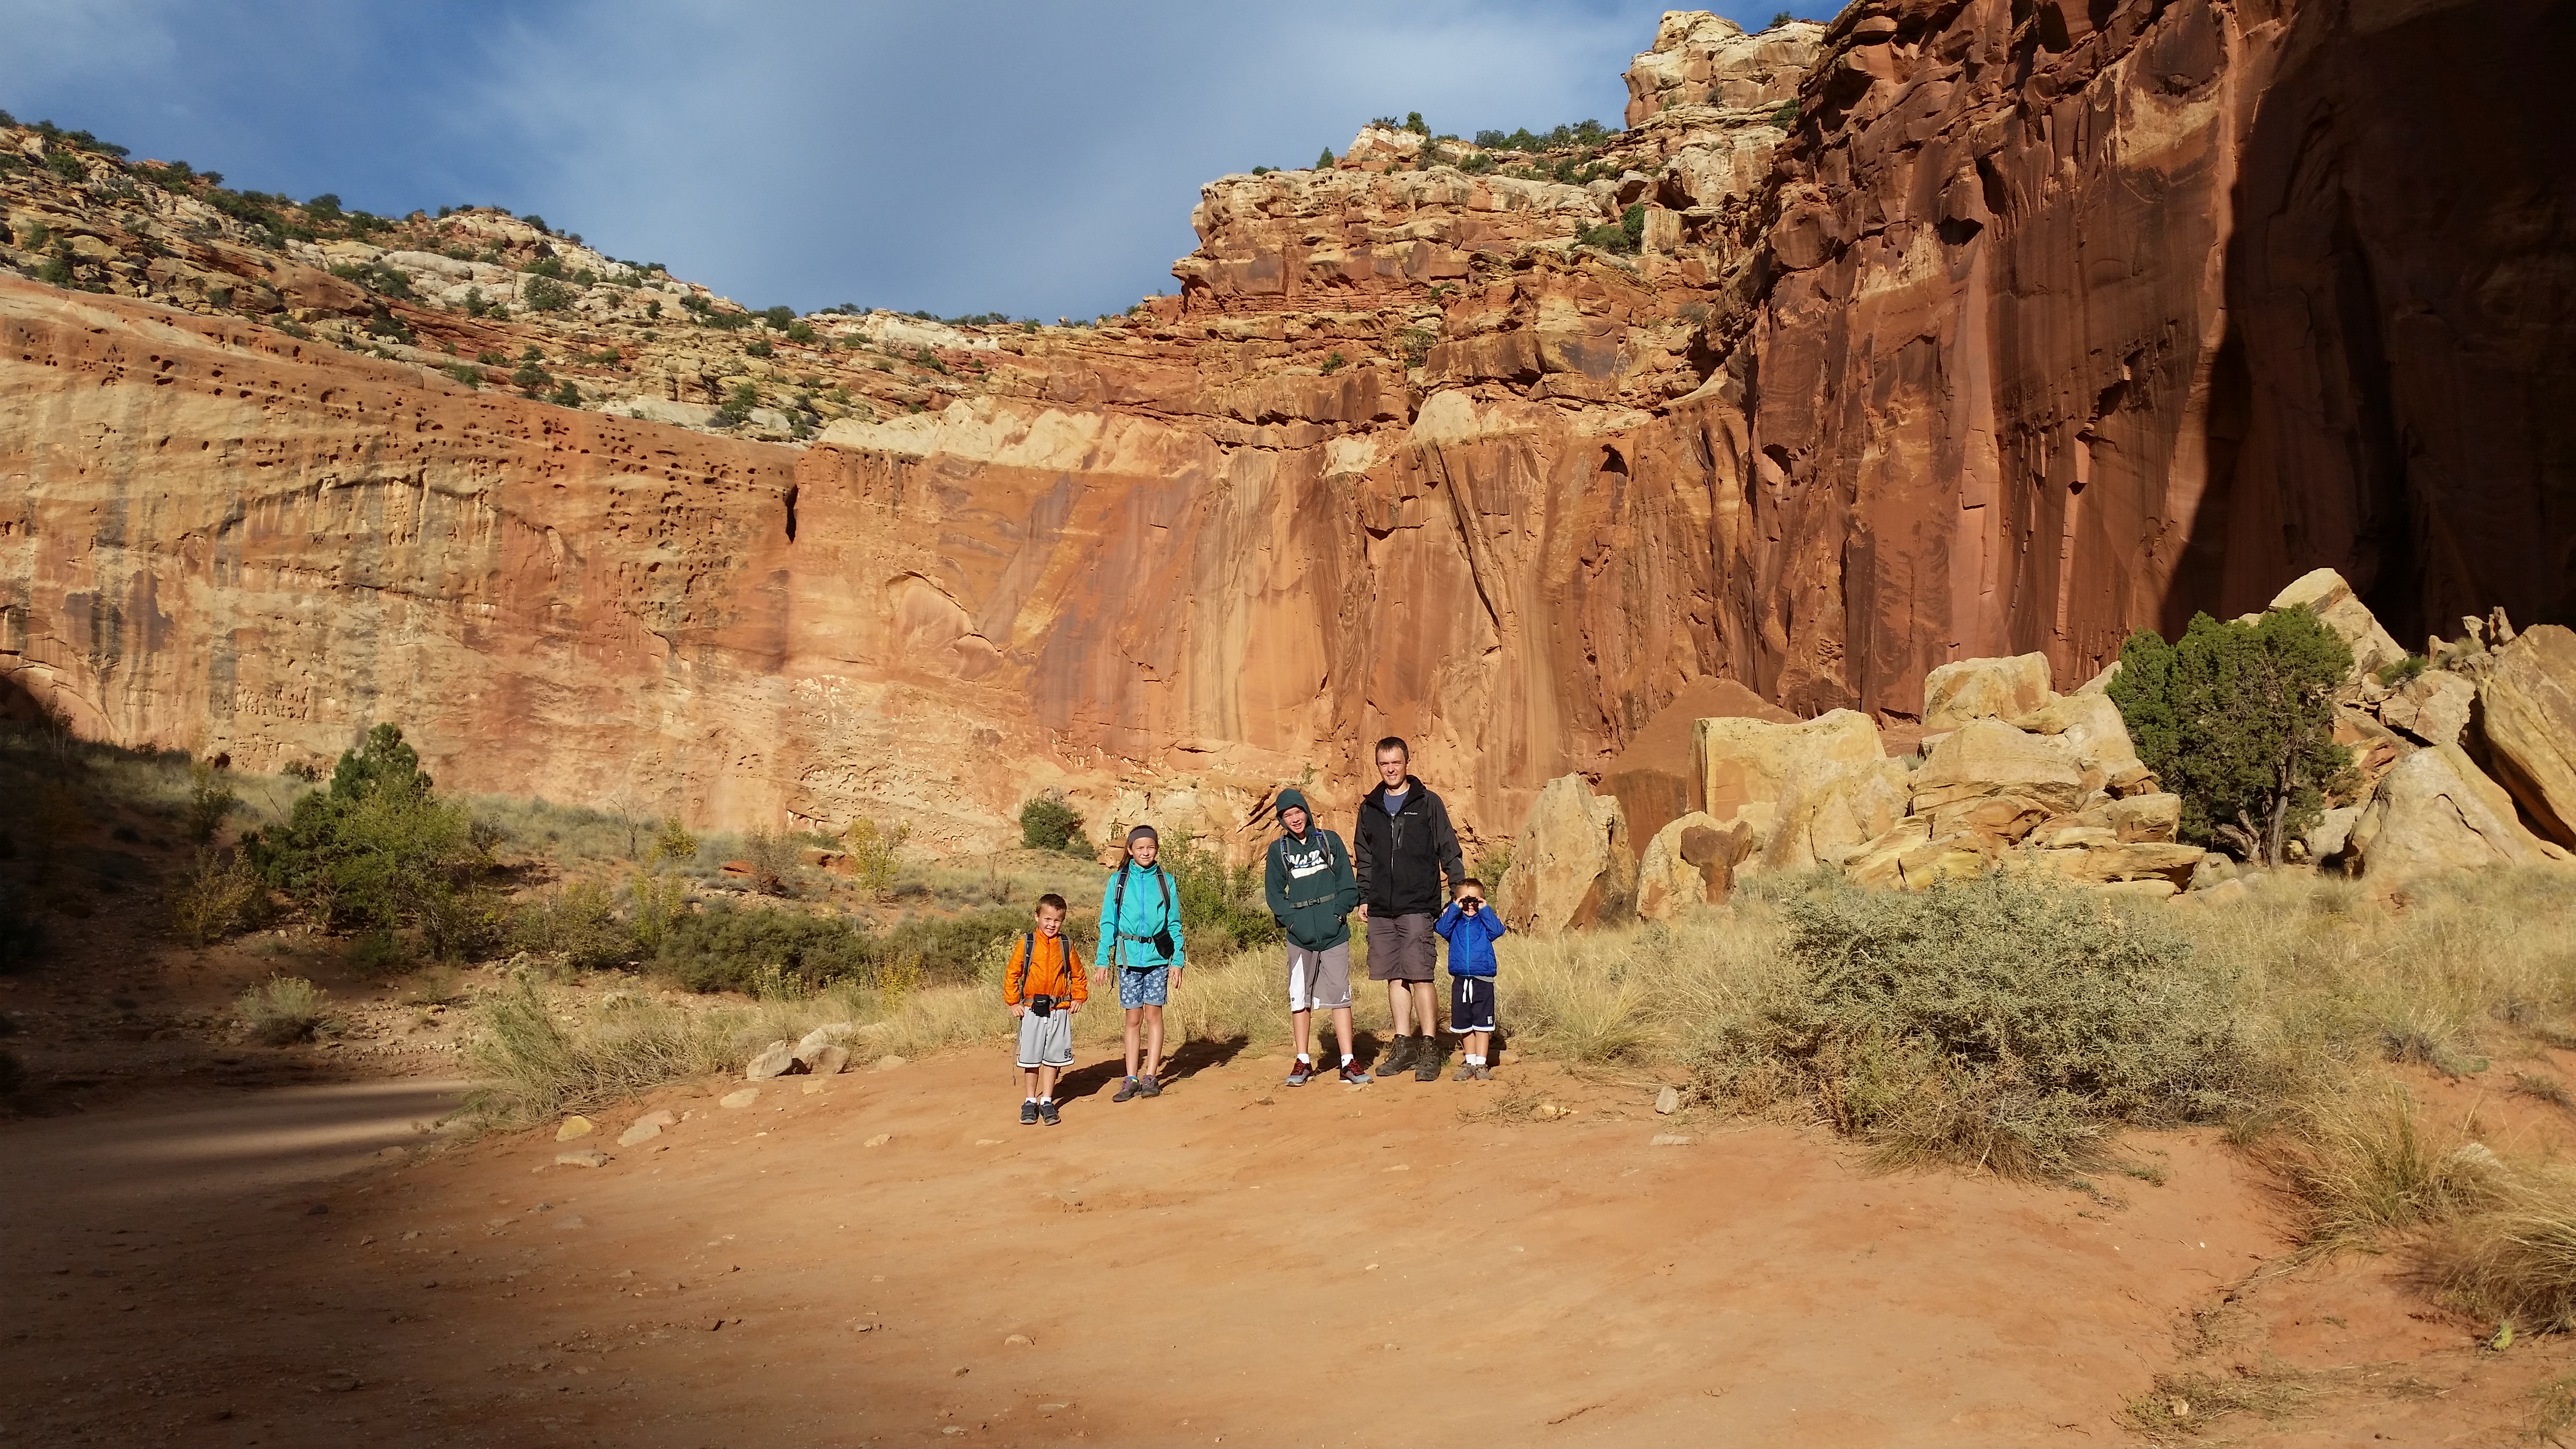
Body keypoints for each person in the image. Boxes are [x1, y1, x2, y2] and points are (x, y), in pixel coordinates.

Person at [1352, 736, 1466, 1082]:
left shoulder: (1428, 803)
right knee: (1394, 975)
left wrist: (1459, 891)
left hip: (1418, 903)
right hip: (1383, 908)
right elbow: (1365, 856)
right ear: (1378, 766)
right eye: (1384, 764)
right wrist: (1363, 896)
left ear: (1407, 763)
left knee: (1420, 974)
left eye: (1396, 763)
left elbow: (1449, 847)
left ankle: (1429, 1046)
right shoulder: (1370, 808)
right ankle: (1404, 1046)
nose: (1390, 769)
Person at [1262, 786, 1371, 1087]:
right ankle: (1303, 1060)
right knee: (1300, 997)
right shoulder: (1278, 851)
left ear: (1306, 812)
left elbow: (1349, 885)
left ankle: (1348, 1061)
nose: (1295, 819)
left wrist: (1337, 915)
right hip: (1299, 937)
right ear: (1282, 820)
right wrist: (1293, 923)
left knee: (1340, 995)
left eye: (1298, 812)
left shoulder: (1329, 840)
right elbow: (1274, 894)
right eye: (1287, 815)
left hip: (1334, 933)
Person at [1096, 824, 1186, 1102]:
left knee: (1153, 1016)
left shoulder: (1165, 881)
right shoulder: (1118, 881)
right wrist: (1103, 960)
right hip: (1128, 960)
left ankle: (1151, 1076)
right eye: (1140, 848)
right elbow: (1108, 922)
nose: (1146, 852)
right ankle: (1131, 1077)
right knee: (1133, 1018)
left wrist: (1177, 961)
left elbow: (1174, 923)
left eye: (1151, 847)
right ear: (1130, 850)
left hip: (1158, 958)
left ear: (1156, 849)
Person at [1005, 892, 1085, 1126]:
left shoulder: (1066, 944)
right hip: (1031, 1008)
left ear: (1063, 920)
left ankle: (1047, 1101)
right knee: (1031, 1058)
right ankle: (1030, 1101)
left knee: (1053, 1058)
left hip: (1059, 1008)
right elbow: (1013, 973)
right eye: (1047, 919)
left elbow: (1078, 973)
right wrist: (1013, 1002)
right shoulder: (1027, 943)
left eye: (1057, 920)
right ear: (1037, 917)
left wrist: (1078, 997)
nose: (1052, 925)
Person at [1434, 878, 1504, 1079]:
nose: (1470, 906)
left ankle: (1481, 1063)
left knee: (1482, 1024)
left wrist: (1484, 909)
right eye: (1465, 901)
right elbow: (1441, 929)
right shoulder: (1454, 924)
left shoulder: (1484, 923)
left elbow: (1498, 930)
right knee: (1464, 1025)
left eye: (1474, 901)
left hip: (1483, 980)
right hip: (1460, 981)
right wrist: (1455, 908)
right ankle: (1470, 1061)